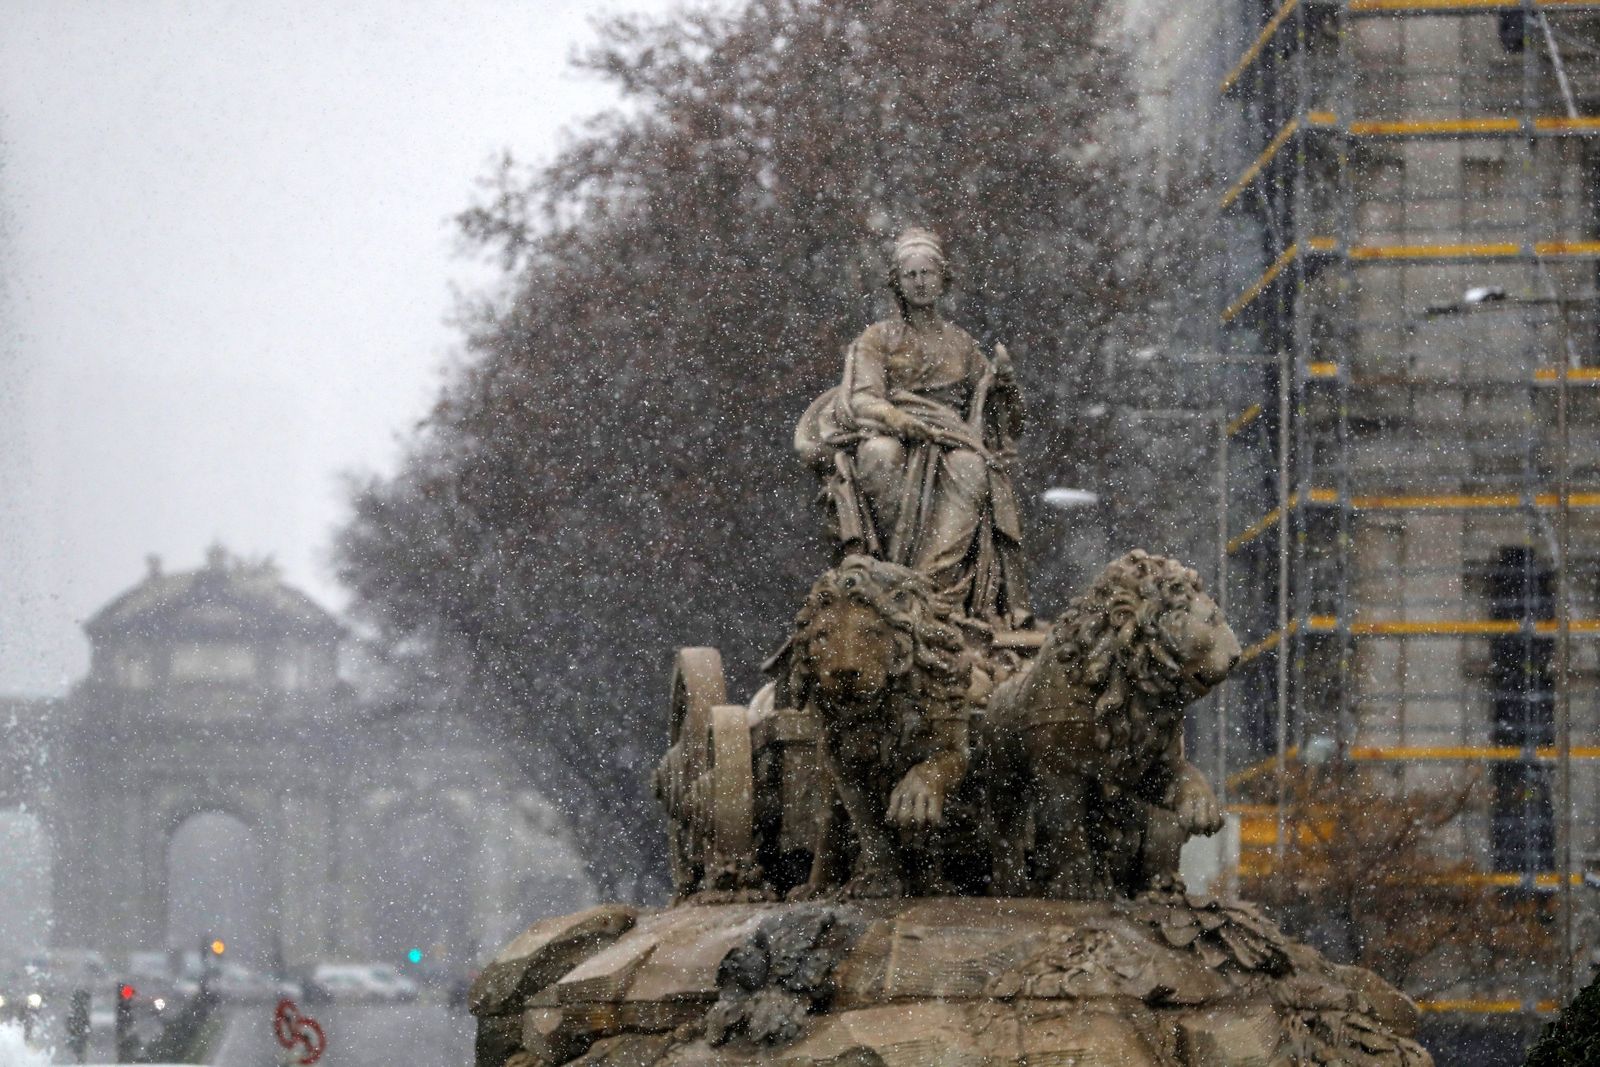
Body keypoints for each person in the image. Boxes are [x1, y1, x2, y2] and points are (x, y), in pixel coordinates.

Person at [795, 227, 1031, 626]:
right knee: (878, 455)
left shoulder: (961, 344)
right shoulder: (878, 339)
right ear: (898, 283)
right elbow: (862, 398)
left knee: (972, 468)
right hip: (893, 433)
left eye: (927, 273)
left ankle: (933, 588)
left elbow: (1000, 418)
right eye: (911, 275)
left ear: (943, 278)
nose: (920, 283)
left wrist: (1003, 387)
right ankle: (891, 574)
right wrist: (899, 421)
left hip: (951, 436)